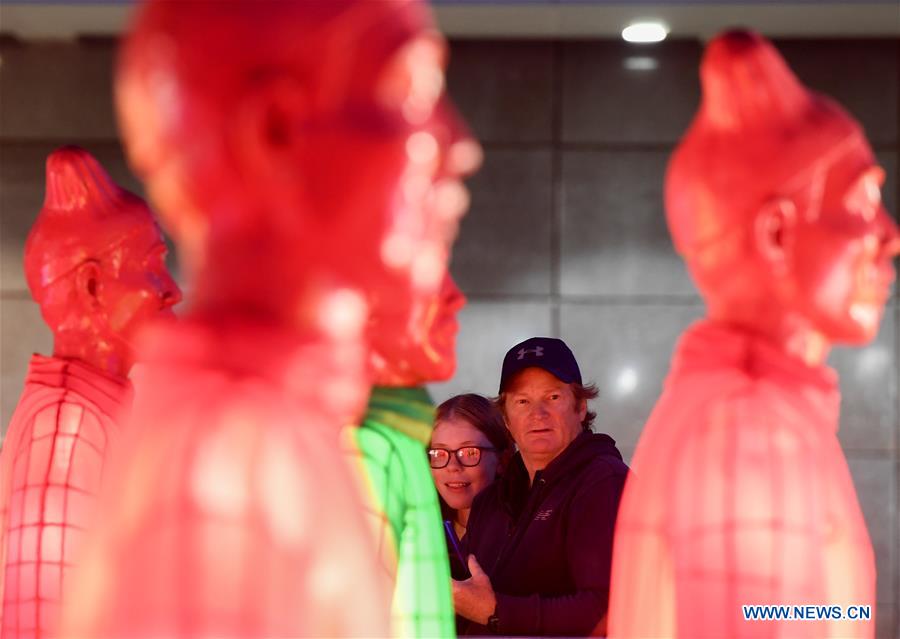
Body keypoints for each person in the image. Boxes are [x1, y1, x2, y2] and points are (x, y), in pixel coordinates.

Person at [58, 1, 473, 637]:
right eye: (408, 93)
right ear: (276, 132)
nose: (458, 146)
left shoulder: (269, 427)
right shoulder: (232, 459)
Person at [608, 30, 899, 639]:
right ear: (776, 235)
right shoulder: (747, 430)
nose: (889, 234)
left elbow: (784, 612)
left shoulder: (753, 415)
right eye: (863, 200)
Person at [0, 146, 181, 638]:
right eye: (153, 265)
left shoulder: (93, 418)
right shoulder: (67, 431)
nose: (172, 290)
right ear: (94, 286)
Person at [454, 337, 628, 636]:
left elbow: (607, 609)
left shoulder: (601, 482)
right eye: (522, 401)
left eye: (553, 398)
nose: (538, 414)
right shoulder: (491, 501)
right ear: (506, 419)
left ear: (581, 408)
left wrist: (496, 611)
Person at [429, 393, 511, 577]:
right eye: (439, 453)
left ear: (501, 460)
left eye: (469, 452)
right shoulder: (418, 527)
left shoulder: (517, 534)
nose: (452, 466)